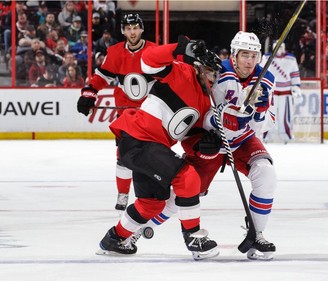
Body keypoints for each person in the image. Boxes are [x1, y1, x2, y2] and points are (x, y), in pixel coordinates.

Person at [127, 31, 278, 261]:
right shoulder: (218, 73)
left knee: (266, 173)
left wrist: (259, 110)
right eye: (244, 54)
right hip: (211, 140)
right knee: (186, 191)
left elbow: (262, 126)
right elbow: (201, 112)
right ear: (234, 55)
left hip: (242, 140)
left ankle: (256, 235)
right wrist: (213, 130)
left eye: (254, 55)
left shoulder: (266, 79)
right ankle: (137, 230)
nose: (249, 61)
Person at [96, 35, 222, 260]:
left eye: (215, 74)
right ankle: (193, 237)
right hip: (140, 140)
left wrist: (207, 147)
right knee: (187, 177)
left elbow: (191, 141)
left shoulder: (204, 105)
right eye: (209, 71)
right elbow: (148, 60)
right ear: (197, 67)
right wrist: (181, 48)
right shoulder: (180, 72)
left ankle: (113, 239)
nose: (212, 78)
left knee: (151, 204)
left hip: (146, 147)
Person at [77, 13, 157, 212]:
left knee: (154, 154)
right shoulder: (114, 52)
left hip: (152, 111)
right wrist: (89, 93)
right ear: (123, 30)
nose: (132, 32)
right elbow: (102, 76)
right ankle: (123, 193)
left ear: (141, 29)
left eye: (135, 28)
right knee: (123, 155)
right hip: (126, 114)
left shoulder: (154, 51)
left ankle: (153, 190)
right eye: (128, 28)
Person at [260, 41, 301, 144]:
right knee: (269, 115)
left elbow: (294, 74)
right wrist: (261, 86)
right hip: (271, 92)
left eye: (281, 47)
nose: (279, 49)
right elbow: (261, 72)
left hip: (286, 91)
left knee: (285, 116)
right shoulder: (267, 58)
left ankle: (286, 136)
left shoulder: (291, 59)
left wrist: (296, 86)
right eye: (277, 47)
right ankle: (266, 136)